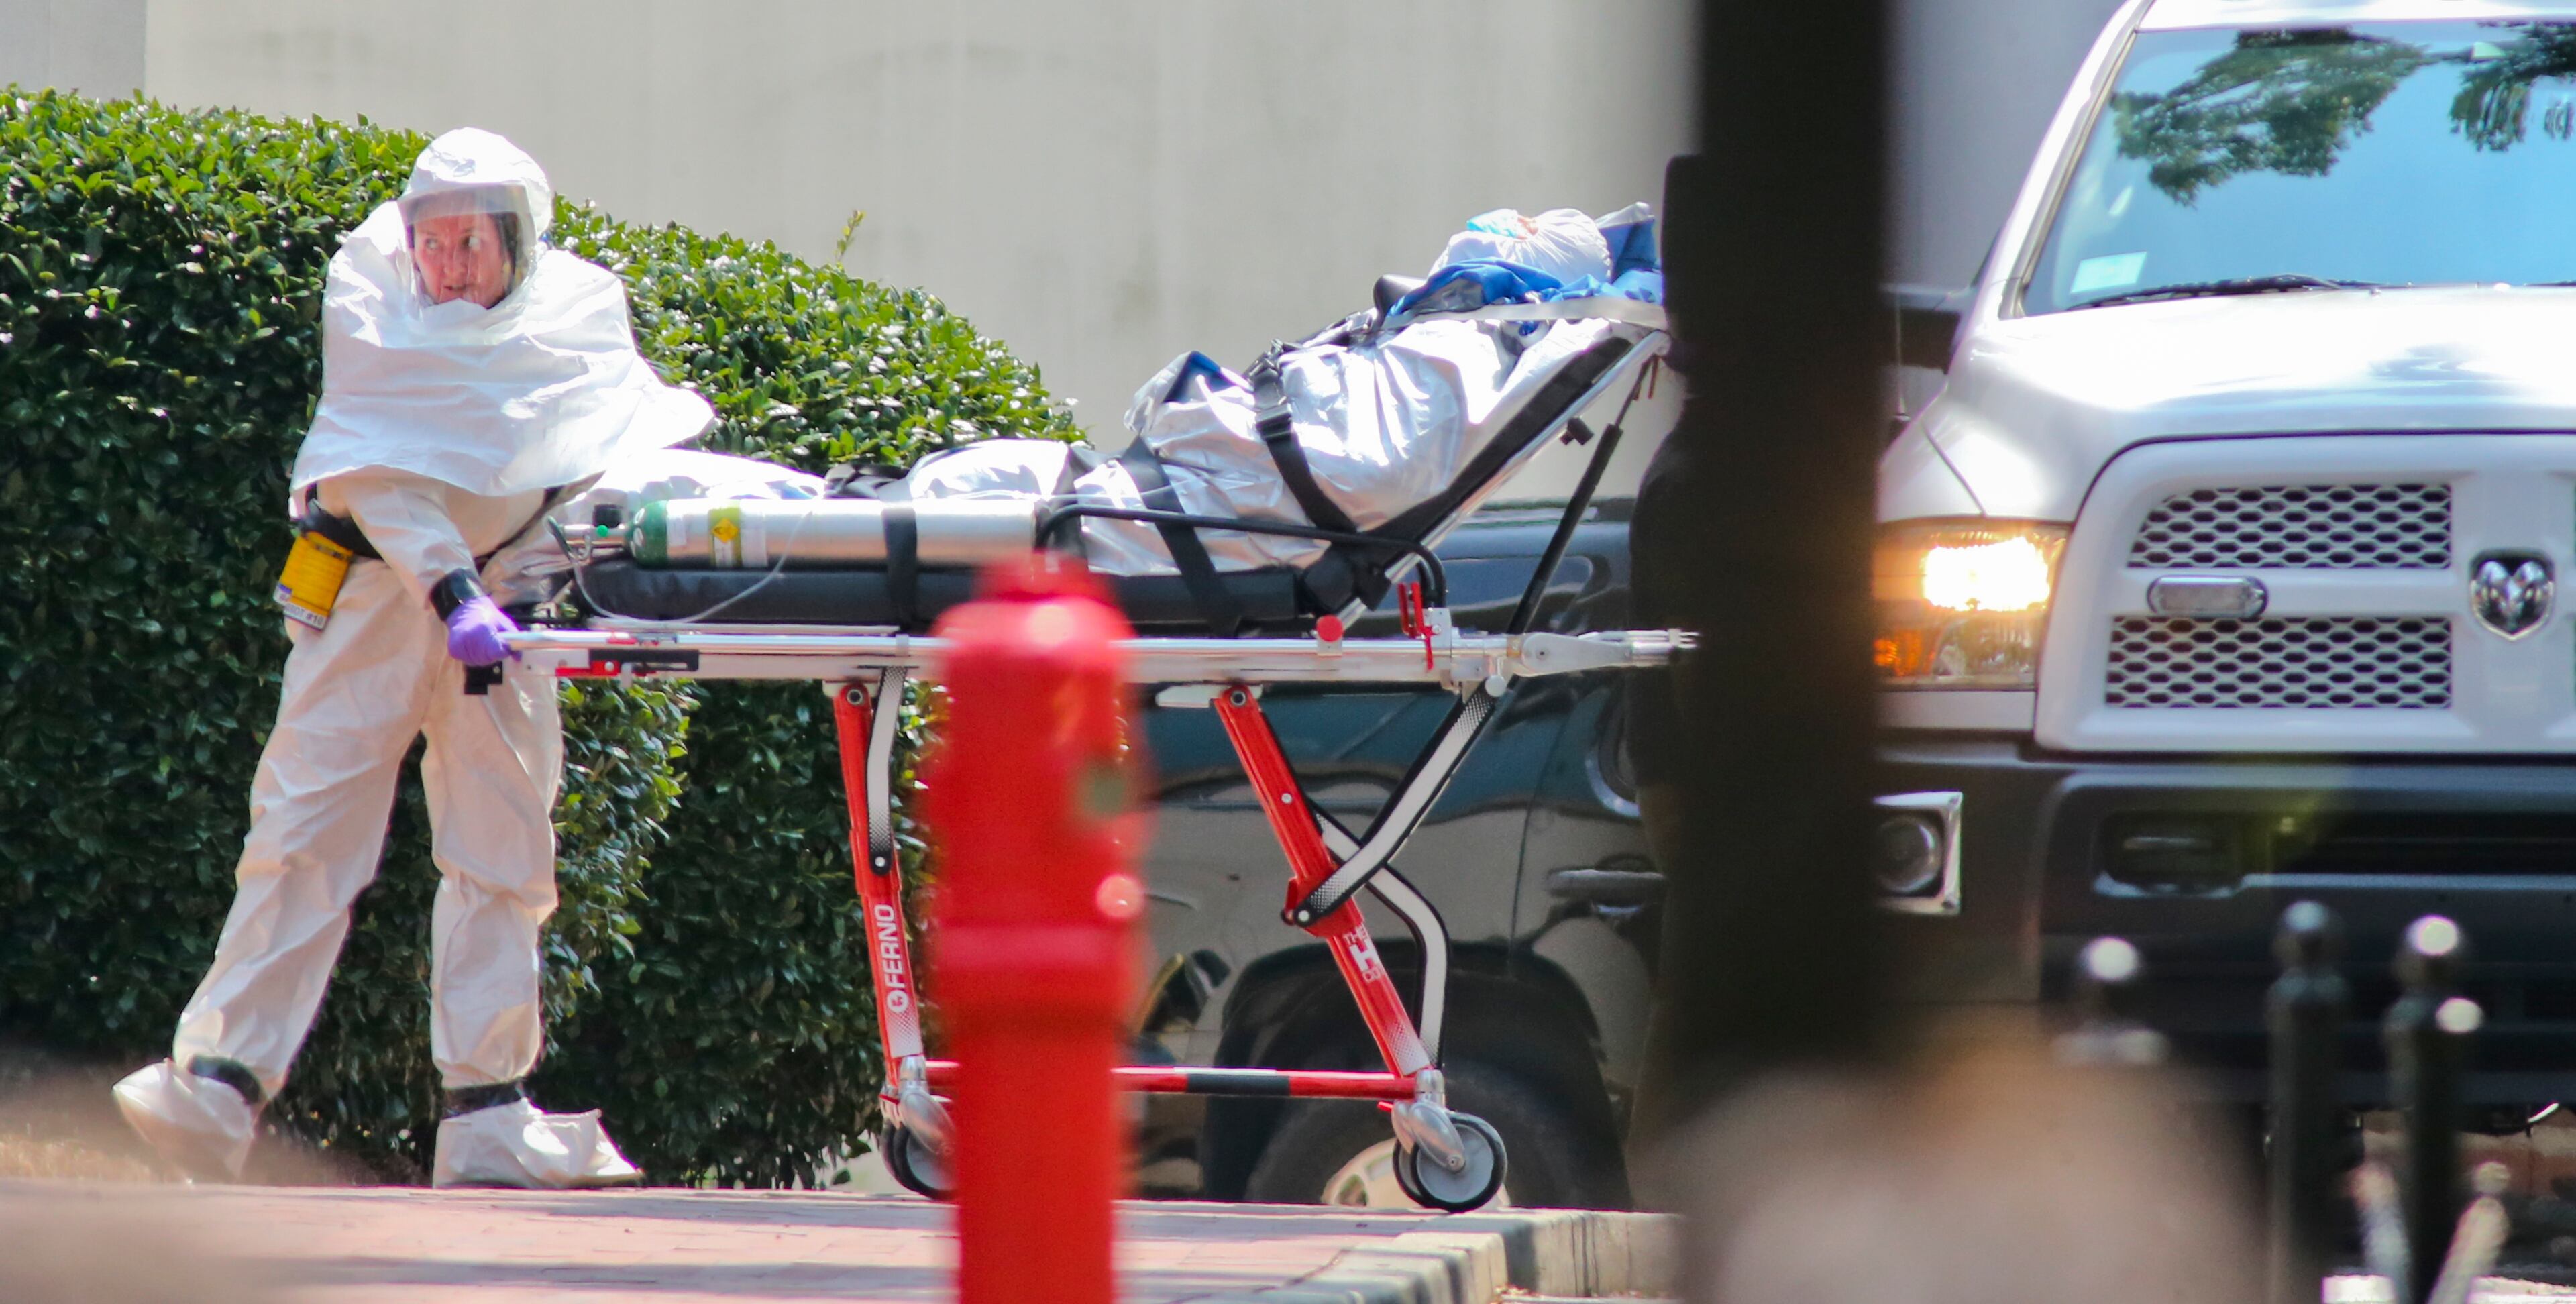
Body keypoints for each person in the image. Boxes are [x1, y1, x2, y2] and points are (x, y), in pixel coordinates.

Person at [113, 128, 712, 1187]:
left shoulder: (578, 312)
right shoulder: (370, 291)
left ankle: (487, 1111)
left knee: (506, 849)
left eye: (471, 241)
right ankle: (215, 1082)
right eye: (431, 240)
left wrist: (521, 578)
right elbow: (375, 464)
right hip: (375, 596)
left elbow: (603, 453)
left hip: (504, 608)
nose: (447, 265)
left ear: (520, 241)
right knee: (306, 828)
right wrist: (450, 587)